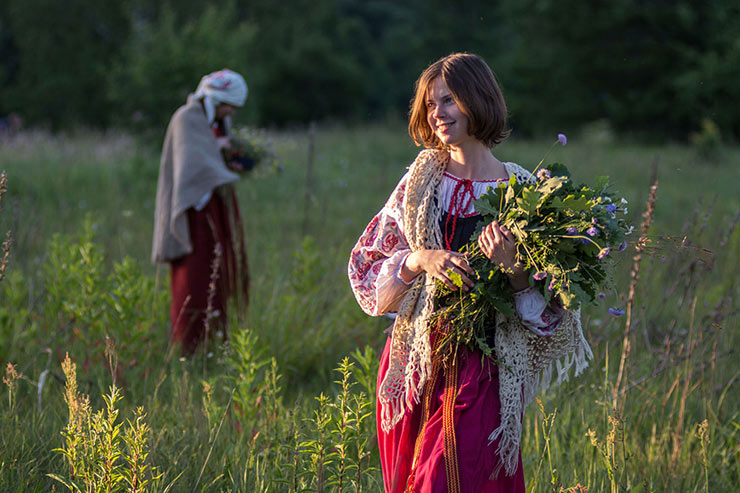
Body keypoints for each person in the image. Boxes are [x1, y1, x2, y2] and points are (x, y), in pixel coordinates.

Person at [348, 53, 592, 492]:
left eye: (448, 101)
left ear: (477, 101)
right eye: (429, 104)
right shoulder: (420, 182)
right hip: (419, 358)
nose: (436, 114)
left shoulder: (523, 192)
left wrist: (515, 269)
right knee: (414, 479)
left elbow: (552, 315)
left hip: (488, 364)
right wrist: (420, 259)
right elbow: (366, 267)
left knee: (447, 478)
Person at [152, 69, 250, 355]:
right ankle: (190, 347)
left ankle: (216, 343)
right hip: (194, 212)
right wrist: (218, 150)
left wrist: (233, 158)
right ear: (216, 99)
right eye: (229, 104)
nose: (232, 111)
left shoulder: (217, 121)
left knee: (217, 276)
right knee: (193, 276)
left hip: (214, 208)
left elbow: (213, 160)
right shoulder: (186, 119)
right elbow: (193, 165)